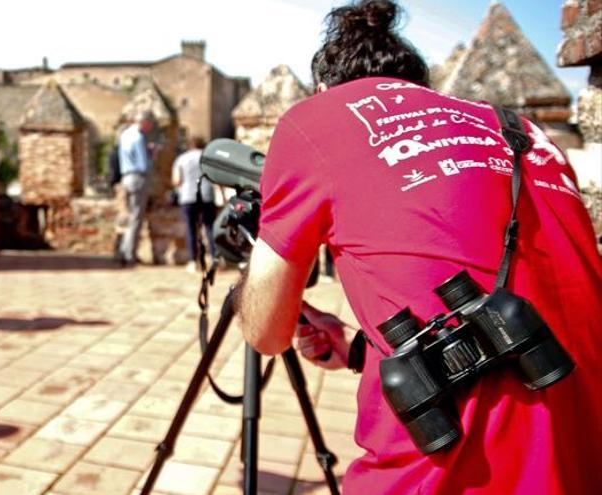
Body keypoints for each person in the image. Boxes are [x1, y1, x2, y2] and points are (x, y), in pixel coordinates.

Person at [236, 1, 602, 493]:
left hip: (455, 470)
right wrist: (357, 351)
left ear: (323, 90)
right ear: (422, 89)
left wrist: (253, 270)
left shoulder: (315, 119)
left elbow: (266, 334)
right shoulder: (522, 130)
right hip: (584, 445)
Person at [116, 111, 156, 266]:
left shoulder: (125, 134)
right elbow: (143, 164)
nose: (150, 128)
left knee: (129, 217)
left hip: (125, 177)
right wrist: (152, 154)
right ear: (145, 122)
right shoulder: (139, 137)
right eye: (150, 124)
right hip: (138, 178)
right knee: (136, 219)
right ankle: (128, 255)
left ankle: (122, 251)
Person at [171, 136, 216, 272]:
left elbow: (177, 180)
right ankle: (215, 259)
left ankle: (193, 261)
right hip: (207, 195)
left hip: (188, 196)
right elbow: (216, 176)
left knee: (191, 229)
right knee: (210, 228)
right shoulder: (208, 158)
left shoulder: (182, 158)